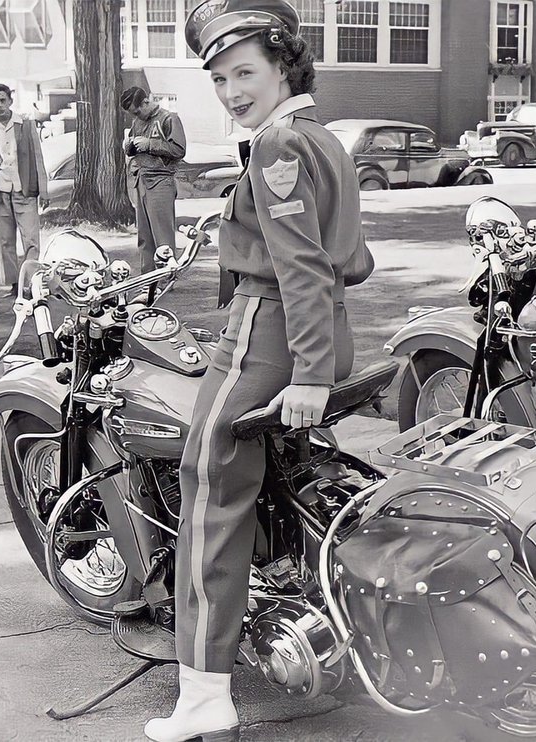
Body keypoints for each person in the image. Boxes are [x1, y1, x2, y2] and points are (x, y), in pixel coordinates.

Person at [145, 2, 373, 741]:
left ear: (284, 66)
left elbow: (299, 264)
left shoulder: (276, 143)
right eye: (218, 78)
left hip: (269, 334)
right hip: (315, 330)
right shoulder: (318, 136)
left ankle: (204, 691)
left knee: (207, 485)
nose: (231, 90)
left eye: (245, 71)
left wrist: (304, 371)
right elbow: (352, 260)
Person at [0, 84, 49, 298]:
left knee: (30, 239)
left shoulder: (26, 125)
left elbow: (38, 158)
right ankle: (13, 285)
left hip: (25, 190)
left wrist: (44, 191)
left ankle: (30, 284)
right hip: (1, 193)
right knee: (5, 241)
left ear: (10, 101)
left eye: (2, 100)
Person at [120, 86, 186, 274]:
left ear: (146, 102)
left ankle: (166, 276)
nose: (137, 116)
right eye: (133, 113)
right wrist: (129, 146)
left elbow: (179, 150)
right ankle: (147, 277)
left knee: (162, 237)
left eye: (138, 111)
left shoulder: (169, 118)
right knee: (145, 237)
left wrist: (150, 144)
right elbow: (134, 148)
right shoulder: (137, 123)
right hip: (141, 180)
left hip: (161, 182)